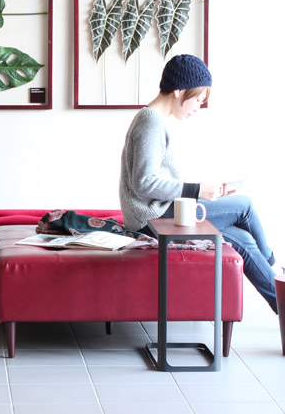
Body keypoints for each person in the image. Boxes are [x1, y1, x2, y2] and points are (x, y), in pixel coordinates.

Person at [119, 54, 278, 313]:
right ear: (179, 90)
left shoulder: (152, 120)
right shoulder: (151, 123)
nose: (198, 107)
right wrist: (197, 190)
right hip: (153, 219)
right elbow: (143, 182)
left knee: (241, 240)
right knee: (244, 206)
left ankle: (280, 303)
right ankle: (274, 266)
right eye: (198, 99)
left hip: (158, 213)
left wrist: (201, 190)